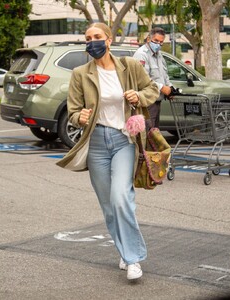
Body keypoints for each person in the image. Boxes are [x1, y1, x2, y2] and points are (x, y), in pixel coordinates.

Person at [57, 22, 159, 280]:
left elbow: (153, 90)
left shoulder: (130, 67)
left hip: (124, 139)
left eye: (98, 37)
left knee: (120, 197)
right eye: (88, 38)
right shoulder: (80, 73)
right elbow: (72, 112)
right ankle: (125, 253)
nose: (93, 41)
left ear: (109, 39)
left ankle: (134, 259)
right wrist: (79, 117)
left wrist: (139, 95)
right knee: (108, 206)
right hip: (97, 143)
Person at [133, 27, 172, 130]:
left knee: (154, 132)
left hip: (157, 100)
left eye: (161, 42)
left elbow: (164, 75)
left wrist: (170, 88)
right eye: (156, 41)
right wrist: (162, 88)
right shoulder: (142, 54)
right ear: (148, 39)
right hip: (147, 101)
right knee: (147, 133)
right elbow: (143, 79)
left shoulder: (159, 55)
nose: (158, 44)